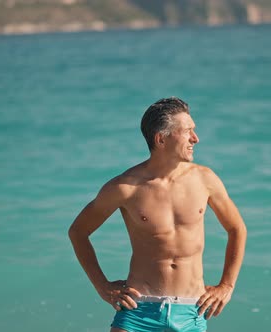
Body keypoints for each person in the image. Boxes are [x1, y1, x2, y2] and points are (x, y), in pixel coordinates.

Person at [68, 97, 247, 332]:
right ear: (161, 139)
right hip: (138, 311)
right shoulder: (125, 187)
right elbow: (78, 232)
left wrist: (227, 285)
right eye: (188, 132)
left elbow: (237, 229)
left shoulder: (205, 180)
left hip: (192, 310)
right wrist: (102, 286)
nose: (196, 138)